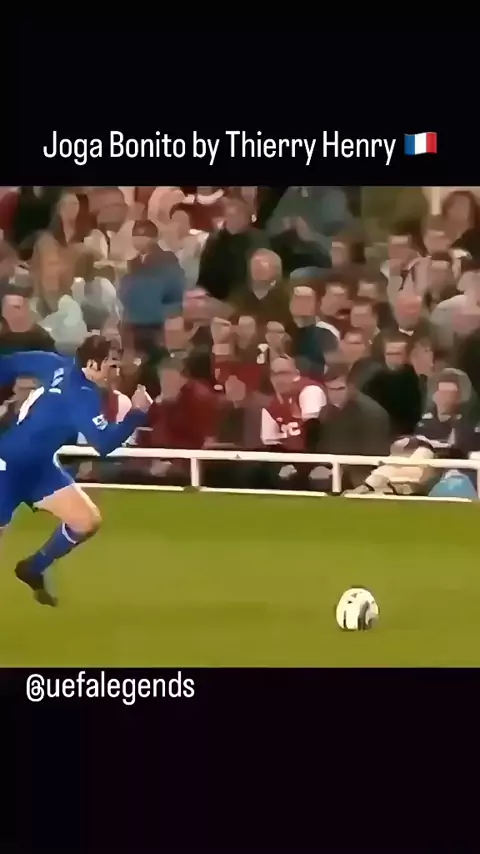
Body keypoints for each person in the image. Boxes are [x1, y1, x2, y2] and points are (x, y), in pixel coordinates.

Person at [0, 335, 151, 607]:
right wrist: (137, 413)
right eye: (111, 365)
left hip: (39, 469)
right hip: (6, 468)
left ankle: (33, 568)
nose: (115, 373)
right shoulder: (83, 397)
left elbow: (11, 364)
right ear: (93, 364)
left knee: (86, 521)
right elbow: (103, 444)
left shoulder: (55, 364)